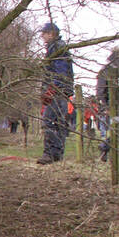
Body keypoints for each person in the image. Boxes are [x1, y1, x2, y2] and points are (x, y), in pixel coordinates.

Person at [36, 22, 74, 164]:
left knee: (49, 121)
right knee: (58, 123)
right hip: (61, 91)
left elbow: (60, 72)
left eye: (44, 33)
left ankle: (50, 154)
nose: (42, 36)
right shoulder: (58, 47)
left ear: (51, 34)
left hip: (57, 92)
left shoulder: (57, 48)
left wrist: (50, 90)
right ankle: (57, 155)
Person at [96, 47, 119, 162]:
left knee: (117, 129)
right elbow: (101, 90)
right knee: (117, 129)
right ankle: (105, 147)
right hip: (114, 105)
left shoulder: (108, 68)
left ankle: (105, 147)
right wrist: (106, 106)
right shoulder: (109, 69)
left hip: (115, 104)